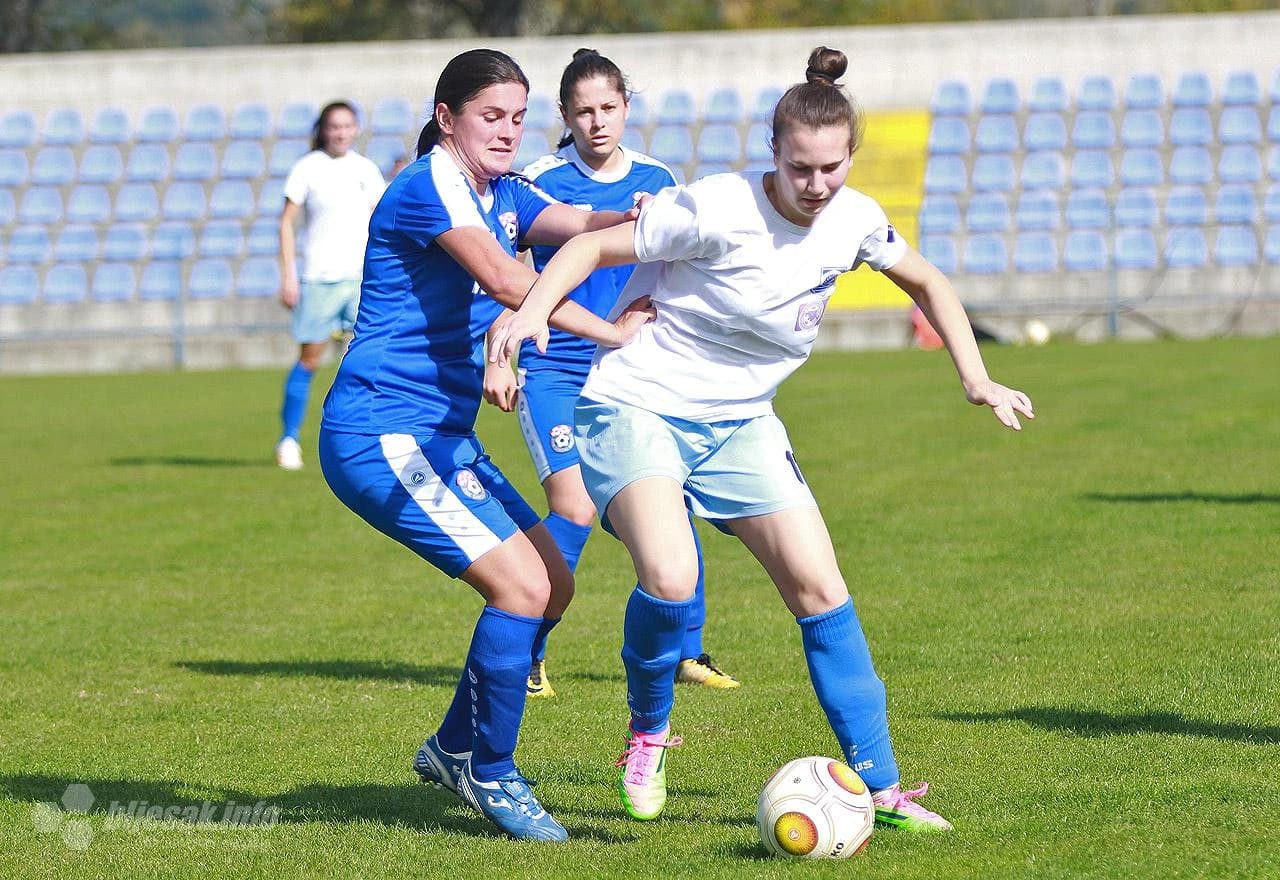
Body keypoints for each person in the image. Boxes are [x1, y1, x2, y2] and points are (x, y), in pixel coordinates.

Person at [491, 47, 1034, 830]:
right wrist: (534, 312)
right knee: (671, 576)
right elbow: (586, 247)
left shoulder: (854, 218)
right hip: (638, 404)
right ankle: (648, 735)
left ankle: (882, 789)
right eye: (799, 167)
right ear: (773, 152)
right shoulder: (715, 205)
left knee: (822, 589)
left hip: (742, 422)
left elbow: (926, 279)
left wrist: (976, 377)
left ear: (850, 157)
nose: (815, 185)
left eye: (831, 168)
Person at [317, 49, 652, 843]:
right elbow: (507, 280)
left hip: (438, 434)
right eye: (490, 116)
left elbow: (579, 223)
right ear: (446, 118)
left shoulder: (502, 189)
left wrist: (646, 215)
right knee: (521, 589)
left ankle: (452, 747)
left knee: (554, 584)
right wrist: (611, 333)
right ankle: (490, 769)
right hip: (380, 430)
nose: (507, 132)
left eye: (518, 118)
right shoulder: (430, 183)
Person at [484, 48, 738, 699]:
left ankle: (687, 651)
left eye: (608, 108)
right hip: (555, 369)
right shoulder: (538, 180)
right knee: (573, 507)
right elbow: (505, 279)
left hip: (633, 371)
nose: (597, 121)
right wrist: (500, 354)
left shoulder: (657, 178)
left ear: (626, 108)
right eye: (583, 111)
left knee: (671, 501)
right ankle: (529, 651)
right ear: (565, 115)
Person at [275, 101, 386, 471]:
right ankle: (289, 438)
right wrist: (289, 274)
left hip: (360, 280)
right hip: (320, 279)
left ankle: (362, 438)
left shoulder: (366, 170)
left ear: (356, 129)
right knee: (310, 358)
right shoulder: (308, 168)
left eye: (347, 125)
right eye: (334, 126)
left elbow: (382, 221)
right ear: (323, 129)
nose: (341, 133)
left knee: (366, 359)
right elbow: (286, 223)